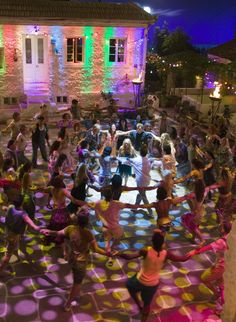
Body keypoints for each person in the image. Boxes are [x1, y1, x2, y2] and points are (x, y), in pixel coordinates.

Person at [41, 215, 110, 311]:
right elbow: (96, 249)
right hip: (80, 262)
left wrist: (48, 231)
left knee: (76, 277)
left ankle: (74, 292)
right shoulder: (88, 233)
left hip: (71, 257)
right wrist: (107, 253)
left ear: (77, 221)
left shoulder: (70, 228)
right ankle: (68, 304)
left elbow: (58, 233)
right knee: (77, 283)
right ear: (86, 223)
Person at [119, 230, 190, 322]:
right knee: (147, 305)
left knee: (129, 285)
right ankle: (143, 318)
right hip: (152, 284)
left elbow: (129, 257)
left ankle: (138, 304)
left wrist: (118, 254)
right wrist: (194, 252)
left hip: (139, 280)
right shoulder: (166, 254)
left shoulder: (145, 250)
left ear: (152, 241)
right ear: (163, 243)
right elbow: (182, 259)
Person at [187, 222, 232, 315]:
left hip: (221, 266)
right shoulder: (231, 239)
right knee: (221, 284)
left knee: (204, 278)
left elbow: (207, 247)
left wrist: (194, 252)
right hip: (228, 266)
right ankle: (222, 306)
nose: (220, 228)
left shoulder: (221, 241)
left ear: (223, 229)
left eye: (221, 227)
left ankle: (216, 295)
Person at [0, 195, 41, 276]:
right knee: (8, 254)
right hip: (13, 235)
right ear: (22, 203)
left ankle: (17, 256)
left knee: (14, 245)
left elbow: (5, 208)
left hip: (8, 232)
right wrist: (37, 228)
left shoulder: (11, 207)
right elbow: (30, 223)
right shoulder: (23, 214)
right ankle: (0, 270)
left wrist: (3, 207)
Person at [126, 145, 153, 217]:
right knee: (140, 194)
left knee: (143, 196)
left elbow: (127, 161)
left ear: (140, 152)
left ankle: (150, 212)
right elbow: (149, 169)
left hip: (140, 181)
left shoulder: (136, 159)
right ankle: (135, 207)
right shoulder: (148, 160)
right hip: (147, 180)